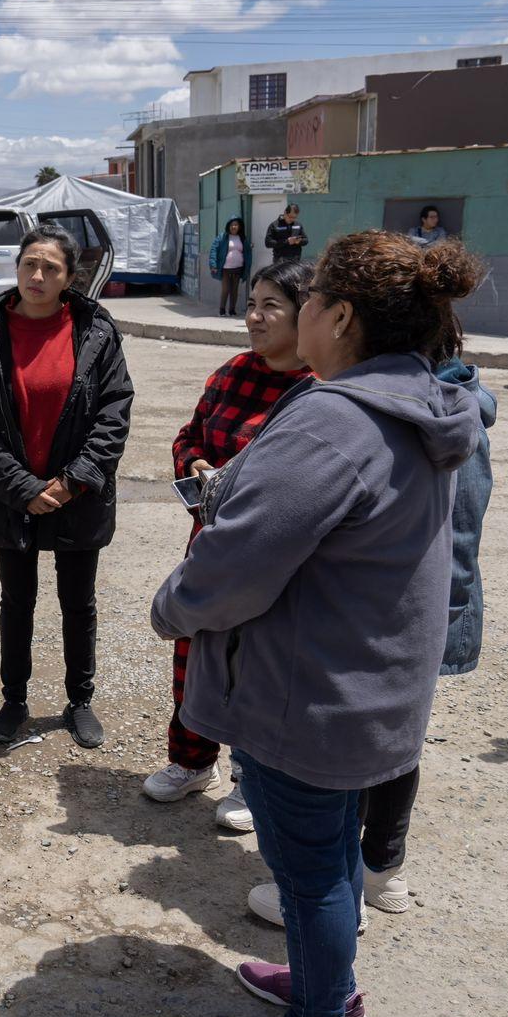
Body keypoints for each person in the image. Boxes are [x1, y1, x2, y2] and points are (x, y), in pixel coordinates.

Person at [151, 230, 483, 1017]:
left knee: (311, 879)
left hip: (308, 701)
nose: (286, 319)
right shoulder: (425, 396)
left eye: (303, 305)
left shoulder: (334, 422)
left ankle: (322, 1014)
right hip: (369, 687)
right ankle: (323, 985)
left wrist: (171, 607)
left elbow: (232, 570)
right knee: (331, 853)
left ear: (335, 317)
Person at [247, 308, 495, 928]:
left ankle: (344, 884)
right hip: (423, 616)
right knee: (391, 748)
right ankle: (377, 868)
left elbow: (454, 537)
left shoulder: (407, 415)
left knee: (361, 754)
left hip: (398, 618)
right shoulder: (449, 408)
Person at [142, 259, 313, 830]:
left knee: (257, 666)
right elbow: (189, 434)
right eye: (252, 304)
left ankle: (249, 779)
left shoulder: (319, 389)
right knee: (194, 652)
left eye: (272, 307)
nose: (255, 317)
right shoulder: (232, 371)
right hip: (211, 545)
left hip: (274, 561)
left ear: (307, 314)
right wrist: (193, 464)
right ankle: (191, 763)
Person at [0, 223, 133, 749]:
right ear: (17, 268)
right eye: (29, 264)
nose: (37, 276)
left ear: (69, 278)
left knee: (79, 602)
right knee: (17, 600)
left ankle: (80, 700)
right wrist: (21, 485)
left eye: (50, 268)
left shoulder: (96, 329)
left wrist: (74, 481)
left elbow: (114, 410)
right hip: (13, 496)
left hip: (78, 494)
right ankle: (14, 699)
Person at [208, 217, 250, 317]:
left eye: (236, 225)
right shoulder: (222, 237)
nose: (233, 227)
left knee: (234, 290)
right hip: (226, 268)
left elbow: (247, 252)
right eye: (231, 225)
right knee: (226, 289)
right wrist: (213, 264)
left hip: (238, 267)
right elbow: (214, 249)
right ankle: (222, 310)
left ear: (239, 227)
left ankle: (232, 310)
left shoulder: (242, 238)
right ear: (228, 226)